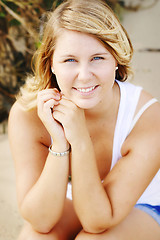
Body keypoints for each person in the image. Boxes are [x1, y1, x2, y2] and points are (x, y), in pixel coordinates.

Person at [8, 0, 160, 239]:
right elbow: (41, 220)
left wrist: (79, 139)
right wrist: (59, 144)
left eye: (98, 58)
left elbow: (98, 221)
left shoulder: (148, 117)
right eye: (70, 60)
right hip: (76, 196)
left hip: (143, 203)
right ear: (51, 64)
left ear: (116, 58)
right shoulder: (28, 115)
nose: (85, 75)